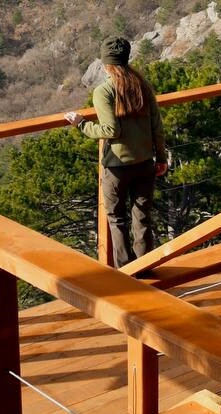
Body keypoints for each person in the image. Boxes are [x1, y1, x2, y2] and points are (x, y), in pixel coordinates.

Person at [65, 36, 168, 268]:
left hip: (117, 167)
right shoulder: (142, 86)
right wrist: (161, 158)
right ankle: (146, 268)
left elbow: (111, 129)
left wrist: (81, 124)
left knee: (117, 219)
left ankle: (127, 272)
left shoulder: (104, 91)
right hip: (144, 163)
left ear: (105, 64)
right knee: (142, 217)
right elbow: (157, 127)